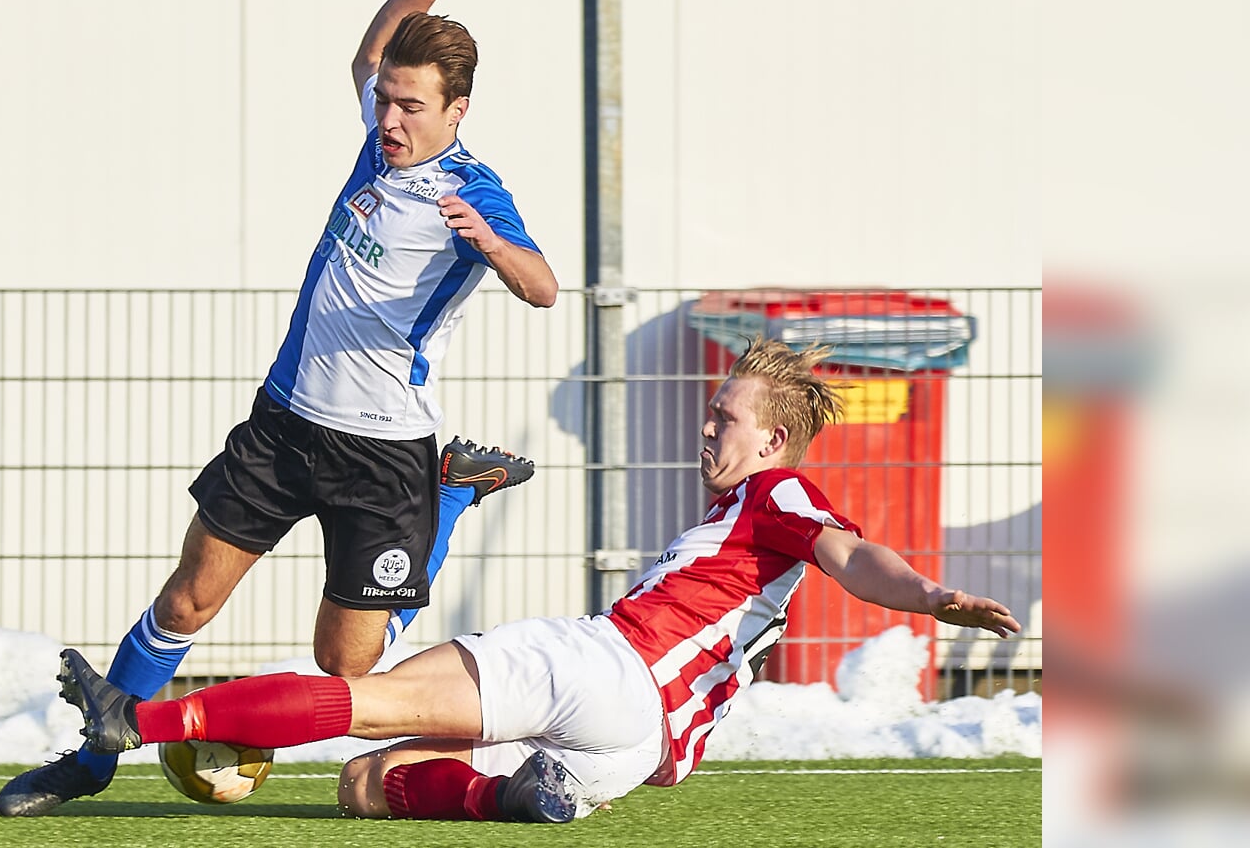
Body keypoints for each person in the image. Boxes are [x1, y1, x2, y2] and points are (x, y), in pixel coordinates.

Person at [0, 0, 557, 816]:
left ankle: (447, 495)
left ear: (457, 109)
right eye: (385, 100)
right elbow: (373, 45)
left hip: (383, 454)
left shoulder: (474, 189)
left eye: (411, 105)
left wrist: (493, 245)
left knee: (347, 664)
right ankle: (93, 756)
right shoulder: (377, 152)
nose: (390, 116)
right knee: (186, 602)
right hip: (286, 423)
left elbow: (545, 288)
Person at [55, 338, 1024, 824]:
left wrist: (929, 596)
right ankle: (509, 799)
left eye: (724, 417)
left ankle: (133, 721)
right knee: (361, 787)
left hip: (602, 668)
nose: (708, 428)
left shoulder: (781, 493)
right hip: (632, 755)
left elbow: (856, 557)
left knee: (361, 695)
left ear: (772, 439)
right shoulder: (746, 525)